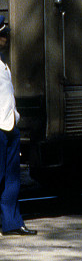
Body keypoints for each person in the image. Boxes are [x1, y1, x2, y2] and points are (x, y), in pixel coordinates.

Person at [0, 16, 35, 236]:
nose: (5, 38)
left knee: (12, 178)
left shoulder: (3, 62)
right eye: (2, 34)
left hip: (9, 126)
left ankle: (12, 223)